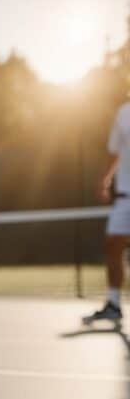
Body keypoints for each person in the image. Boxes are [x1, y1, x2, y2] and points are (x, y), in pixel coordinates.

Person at [85, 101, 130, 327]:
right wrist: (105, 180)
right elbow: (115, 152)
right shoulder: (123, 113)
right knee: (113, 243)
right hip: (124, 196)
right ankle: (113, 304)